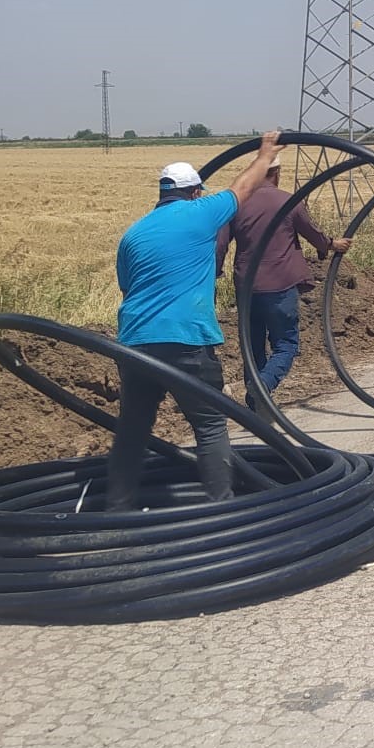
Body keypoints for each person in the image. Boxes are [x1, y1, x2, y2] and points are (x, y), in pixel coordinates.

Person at [104, 130, 283, 512]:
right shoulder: (201, 214)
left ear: (162, 193)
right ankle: (221, 511)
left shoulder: (133, 234)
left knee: (133, 432)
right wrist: (265, 154)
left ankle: (116, 513)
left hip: (135, 345)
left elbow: (127, 287)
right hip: (186, 341)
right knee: (210, 425)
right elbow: (243, 187)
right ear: (196, 192)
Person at [215, 153, 352, 403]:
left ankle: (256, 402)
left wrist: (212, 275)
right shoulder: (288, 201)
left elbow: (219, 245)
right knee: (286, 344)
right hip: (280, 284)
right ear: (277, 174)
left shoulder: (236, 204)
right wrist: (332, 245)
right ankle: (262, 387)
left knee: (252, 345)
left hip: (246, 287)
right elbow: (313, 233)